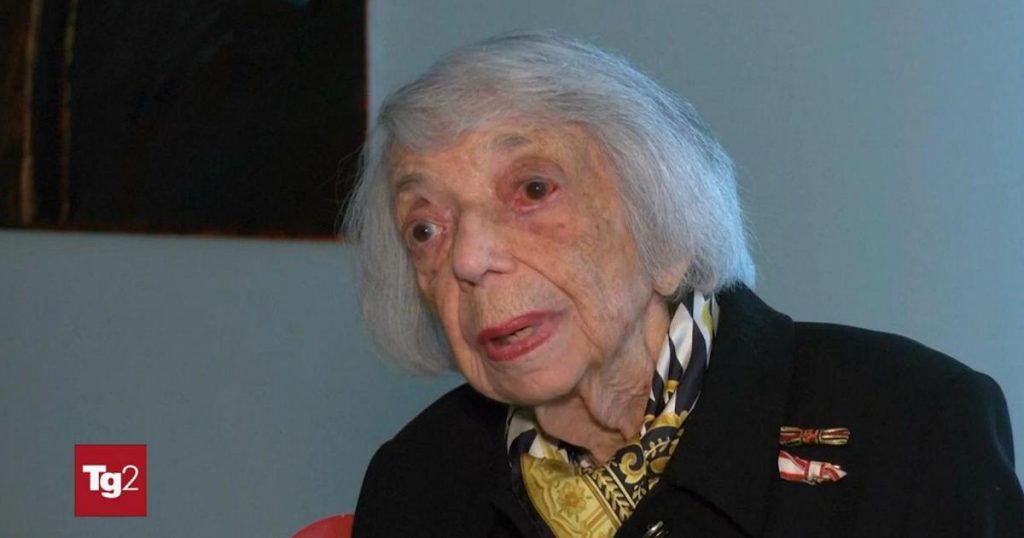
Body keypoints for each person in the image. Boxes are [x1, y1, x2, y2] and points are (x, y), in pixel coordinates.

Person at [344, 31, 1023, 537]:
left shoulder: (910, 427)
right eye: (425, 228)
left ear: (663, 224)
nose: (468, 258)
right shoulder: (417, 482)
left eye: (532, 189)